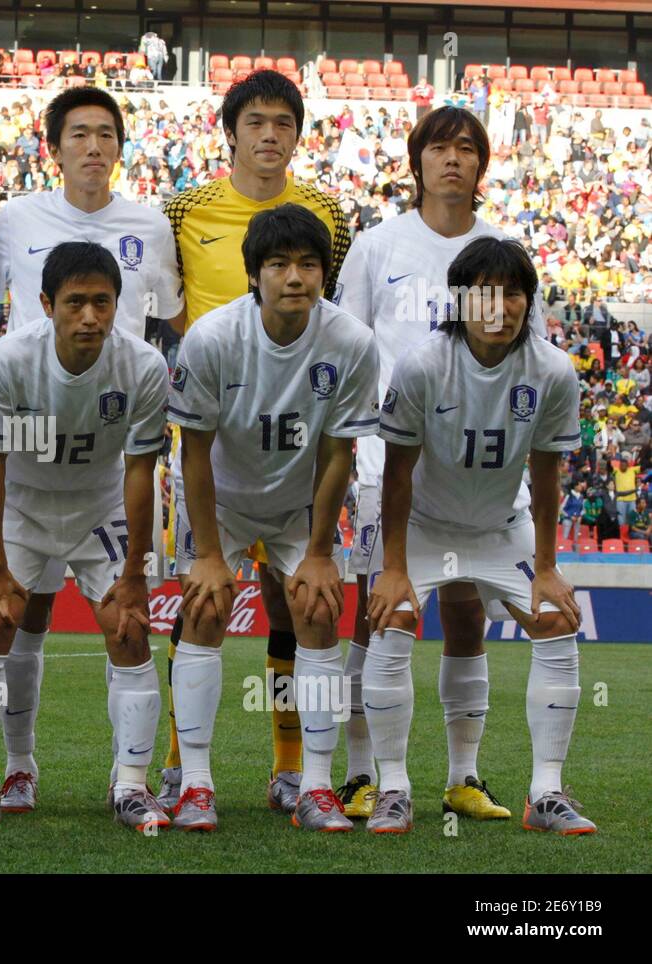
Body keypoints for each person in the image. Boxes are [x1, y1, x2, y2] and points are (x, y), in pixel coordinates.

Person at [335, 105, 547, 821]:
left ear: (481, 165)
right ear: (416, 161)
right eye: (439, 147)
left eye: (466, 148)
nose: (452, 159)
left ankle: (464, 776)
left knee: (465, 616)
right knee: (378, 614)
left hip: (482, 472)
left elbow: (536, 363)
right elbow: (347, 348)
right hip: (386, 465)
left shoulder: (504, 250)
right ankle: (363, 774)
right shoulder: (376, 246)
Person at [0, 86, 184, 813]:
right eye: (79, 134)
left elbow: (165, 317)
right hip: (33, 432)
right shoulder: (11, 218)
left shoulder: (150, 225)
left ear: (121, 149)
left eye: (107, 134)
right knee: (18, 618)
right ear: (55, 147)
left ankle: (128, 784)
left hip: (114, 435)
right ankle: (15, 767)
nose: (94, 147)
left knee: (127, 622)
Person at [161, 69, 350, 815]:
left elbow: (332, 318)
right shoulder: (183, 208)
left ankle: (292, 767)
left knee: (292, 605)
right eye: (256, 121)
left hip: (297, 442)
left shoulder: (328, 213)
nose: (270, 134)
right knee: (200, 600)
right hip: (213, 428)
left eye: (284, 122)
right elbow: (161, 299)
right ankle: (183, 767)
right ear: (230, 131)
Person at [367, 236, 593, 835]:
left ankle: (545, 792)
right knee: (393, 621)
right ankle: (394, 788)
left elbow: (547, 476)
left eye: (513, 293)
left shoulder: (552, 370)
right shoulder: (422, 365)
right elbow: (396, 473)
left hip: (501, 524)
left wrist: (547, 566)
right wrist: (392, 567)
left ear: (528, 301)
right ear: (460, 300)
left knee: (555, 619)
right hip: (423, 524)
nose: (500, 306)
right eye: (485, 293)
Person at [170, 206, 379, 832]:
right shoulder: (211, 338)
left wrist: (318, 552)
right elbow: (195, 451)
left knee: (316, 609)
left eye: (309, 264)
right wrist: (208, 552)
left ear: (325, 273)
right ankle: (194, 784)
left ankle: (312, 785)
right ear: (253, 274)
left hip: (299, 504)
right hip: (221, 502)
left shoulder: (351, 342)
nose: (295, 277)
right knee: (205, 606)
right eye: (279, 264)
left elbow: (339, 453)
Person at [0, 241, 167, 829]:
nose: (91, 317)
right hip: (24, 508)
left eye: (103, 302)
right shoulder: (9, 358)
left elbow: (140, 471)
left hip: (99, 509)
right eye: (76, 302)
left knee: (128, 630)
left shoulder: (144, 366)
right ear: (46, 304)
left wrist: (133, 575)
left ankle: (130, 785)